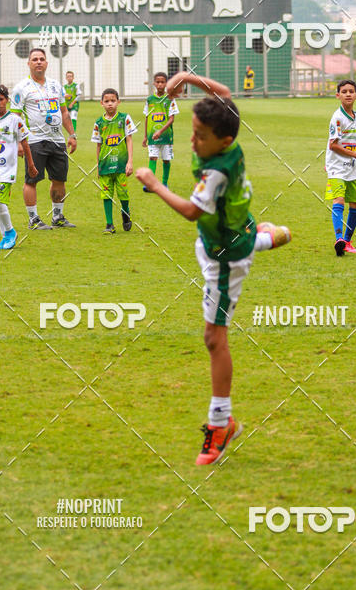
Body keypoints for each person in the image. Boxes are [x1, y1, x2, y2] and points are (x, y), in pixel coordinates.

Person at [136, 71, 291, 466]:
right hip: (223, 235)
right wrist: (187, 76)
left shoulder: (216, 171)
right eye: (192, 131)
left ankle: (221, 423)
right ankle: (270, 235)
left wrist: (154, 184)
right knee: (248, 235)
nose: (192, 140)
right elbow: (223, 92)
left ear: (224, 141)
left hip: (225, 258)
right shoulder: (224, 134)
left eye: (200, 136)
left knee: (213, 338)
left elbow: (190, 211)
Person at [10, 48, 77, 229]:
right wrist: (18, 142)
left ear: (46, 63)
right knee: (32, 180)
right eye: (35, 59)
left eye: (41, 59)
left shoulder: (56, 85)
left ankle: (58, 216)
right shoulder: (21, 88)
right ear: (29, 63)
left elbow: (64, 112)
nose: (38, 62)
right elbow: (14, 118)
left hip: (57, 140)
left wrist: (71, 134)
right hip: (34, 141)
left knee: (59, 179)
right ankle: (34, 219)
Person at [0, 85, 38, 249]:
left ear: (7, 100)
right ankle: (6, 236)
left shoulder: (15, 120)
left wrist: (31, 164)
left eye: (0, 99)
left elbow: (25, 142)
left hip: (7, 170)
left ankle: (10, 232)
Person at [325, 79, 356, 256]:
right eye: (344, 91)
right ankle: (339, 238)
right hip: (336, 167)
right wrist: (355, 154)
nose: (348, 94)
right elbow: (332, 145)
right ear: (337, 96)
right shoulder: (337, 118)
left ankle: (347, 241)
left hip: (351, 167)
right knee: (339, 200)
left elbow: (349, 143)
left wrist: (354, 156)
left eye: (351, 91)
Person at [92, 88, 137, 234]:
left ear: (118, 102)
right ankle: (109, 224)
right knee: (106, 194)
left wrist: (130, 161)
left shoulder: (124, 118)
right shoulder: (99, 123)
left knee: (123, 192)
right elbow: (99, 145)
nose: (110, 104)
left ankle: (125, 213)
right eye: (106, 101)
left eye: (113, 100)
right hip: (105, 165)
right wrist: (98, 165)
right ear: (101, 103)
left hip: (121, 164)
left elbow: (129, 140)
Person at [142, 71, 179, 192]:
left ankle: (164, 184)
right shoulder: (149, 100)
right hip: (152, 137)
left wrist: (161, 131)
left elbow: (171, 119)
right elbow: (147, 117)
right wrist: (145, 137)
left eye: (162, 82)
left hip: (166, 137)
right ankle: (150, 184)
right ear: (154, 83)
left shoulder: (170, 99)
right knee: (152, 158)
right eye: (157, 82)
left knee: (166, 159)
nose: (160, 84)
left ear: (166, 83)